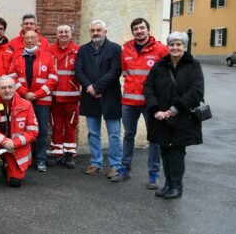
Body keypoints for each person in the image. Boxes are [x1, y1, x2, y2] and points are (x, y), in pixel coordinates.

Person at [144, 32, 204, 200]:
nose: (175, 48)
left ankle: (177, 186)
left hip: (182, 118)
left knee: (177, 151)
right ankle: (168, 184)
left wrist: (173, 110)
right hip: (161, 117)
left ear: (184, 46)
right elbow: (148, 87)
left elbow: (196, 92)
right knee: (165, 149)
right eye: (172, 44)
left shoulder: (193, 65)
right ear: (167, 46)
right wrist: (155, 109)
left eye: (179, 44)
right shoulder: (159, 65)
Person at [112, 18, 169, 187]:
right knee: (128, 135)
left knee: (154, 138)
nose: (139, 31)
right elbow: (125, 73)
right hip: (129, 102)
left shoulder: (161, 50)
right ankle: (125, 170)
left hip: (151, 104)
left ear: (148, 29)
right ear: (133, 32)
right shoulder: (126, 50)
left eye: (142, 28)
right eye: (136, 29)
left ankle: (153, 175)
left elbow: (167, 76)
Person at [75, 20, 123, 178]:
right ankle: (96, 162)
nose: (96, 33)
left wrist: (97, 87)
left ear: (105, 31)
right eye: (93, 30)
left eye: (99, 30)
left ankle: (116, 165)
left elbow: (115, 71)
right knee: (93, 133)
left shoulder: (115, 49)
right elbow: (78, 71)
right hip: (90, 96)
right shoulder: (83, 50)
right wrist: (90, 87)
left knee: (114, 134)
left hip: (111, 96)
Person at [8, 30, 58, 172]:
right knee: (23, 131)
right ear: (23, 41)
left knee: (42, 131)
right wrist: (25, 93)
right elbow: (12, 77)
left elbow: (53, 79)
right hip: (23, 101)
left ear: (38, 40)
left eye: (32, 38)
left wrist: (36, 95)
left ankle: (40, 159)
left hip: (42, 101)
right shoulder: (17, 57)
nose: (29, 41)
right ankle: (25, 158)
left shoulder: (48, 57)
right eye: (27, 39)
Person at [49, 25, 80, 168]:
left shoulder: (78, 51)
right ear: (56, 34)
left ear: (71, 34)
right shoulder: (49, 50)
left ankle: (69, 155)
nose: (63, 34)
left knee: (70, 126)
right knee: (56, 126)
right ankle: (57, 154)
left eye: (66, 32)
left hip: (72, 98)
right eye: (60, 32)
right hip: (54, 98)